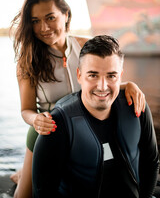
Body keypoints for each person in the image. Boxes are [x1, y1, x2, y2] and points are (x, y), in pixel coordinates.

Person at [10, 0, 145, 198]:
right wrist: (36, 119)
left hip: (88, 124)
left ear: (66, 15)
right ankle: (23, 175)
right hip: (48, 130)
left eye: (50, 17)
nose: (43, 27)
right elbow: (26, 110)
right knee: (23, 196)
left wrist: (128, 85)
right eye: (35, 21)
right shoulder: (27, 62)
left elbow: (101, 82)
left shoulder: (86, 46)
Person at [32, 35, 159, 198]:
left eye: (111, 76)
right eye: (93, 75)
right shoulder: (59, 123)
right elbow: (43, 191)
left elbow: (151, 162)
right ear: (79, 75)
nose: (102, 86)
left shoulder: (136, 105)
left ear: (121, 76)